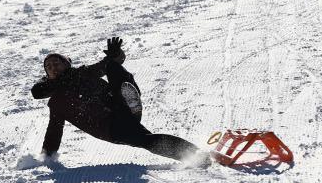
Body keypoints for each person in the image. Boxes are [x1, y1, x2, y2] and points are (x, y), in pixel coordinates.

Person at [31, 37, 210, 166]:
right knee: (146, 140)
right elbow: (54, 129)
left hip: (119, 107)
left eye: (57, 63)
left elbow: (106, 64)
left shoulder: (82, 74)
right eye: (49, 66)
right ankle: (196, 154)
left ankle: (128, 97)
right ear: (47, 75)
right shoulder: (57, 102)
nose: (53, 67)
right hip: (109, 128)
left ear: (67, 64)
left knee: (111, 66)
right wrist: (47, 155)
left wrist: (115, 55)